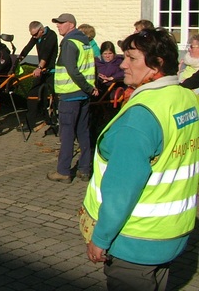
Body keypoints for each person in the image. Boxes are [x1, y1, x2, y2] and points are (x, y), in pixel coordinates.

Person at [81, 28, 199, 291]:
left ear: (156, 65)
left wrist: (101, 238)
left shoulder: (140, 117)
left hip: (136, 240)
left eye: (132, 58)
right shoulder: (187, 98)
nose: (123, 64)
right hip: (173, 232)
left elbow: (122, 189)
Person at [47, 13, 98, 183]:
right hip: (82, 95)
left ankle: (63, 171)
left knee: (67, 134)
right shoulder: (84, 41)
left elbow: (72, 70)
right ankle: (84, 169)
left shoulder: (69, 42)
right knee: (83, 131)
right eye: (57, 23)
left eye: (61, 23)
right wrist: (89, 89)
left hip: (71, 94)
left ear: (70, 24)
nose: (58, 26)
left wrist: (87, 88)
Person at [18, 21, 58, 131]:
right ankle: (29, 123)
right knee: (32, 95)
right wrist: (19, 59)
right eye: (32, 35)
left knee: (53, 97)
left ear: (41, 30)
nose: (34, 37)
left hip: (50, 70)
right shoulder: (36, 36)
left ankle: (54, 122)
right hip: (41, 70)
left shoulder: (51, 36)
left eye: (35, 34)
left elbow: (46, 53)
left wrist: (39, 68)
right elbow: (28, 47)